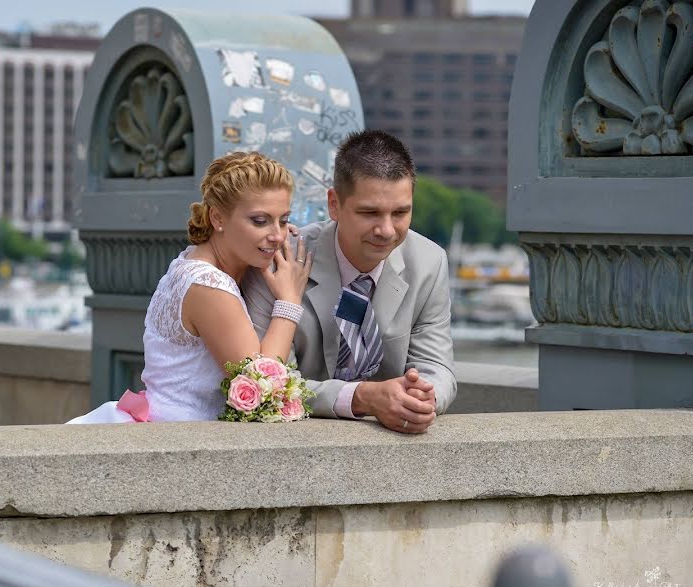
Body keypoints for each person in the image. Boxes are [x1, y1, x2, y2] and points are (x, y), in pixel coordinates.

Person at [69, 152, 312, 423]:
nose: (278, 235)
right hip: (180, 439)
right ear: (218, 218)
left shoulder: (191, 261)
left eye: (283, 220)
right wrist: (289, 300)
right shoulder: (209, 286)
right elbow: (265, 389)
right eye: (260, 221)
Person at [242, 130, 456, 434]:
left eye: (400, 213)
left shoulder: (430, 262)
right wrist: (363, 398)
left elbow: (439, 367)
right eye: (370, 213)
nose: (386, 230)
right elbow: (271, 381)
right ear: (334, 205)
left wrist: (422, 397)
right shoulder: (279, 260)